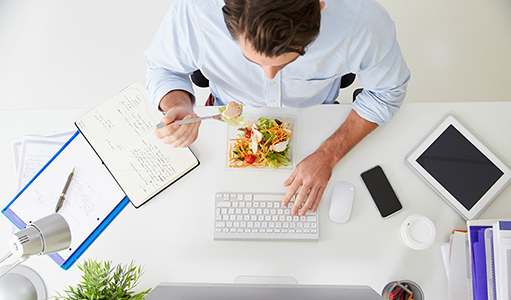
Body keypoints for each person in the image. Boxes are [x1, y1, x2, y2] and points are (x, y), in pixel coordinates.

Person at [144, 0, 410, 216]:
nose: (269, 77)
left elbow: (387, 93)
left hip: (318, 124)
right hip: (223, 120)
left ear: (319, 7)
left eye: (286, 63)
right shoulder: (194, 12)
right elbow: (163, 68)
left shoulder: (362, 21)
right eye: (253, 61)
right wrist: (176, 102)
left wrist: (329, 155)